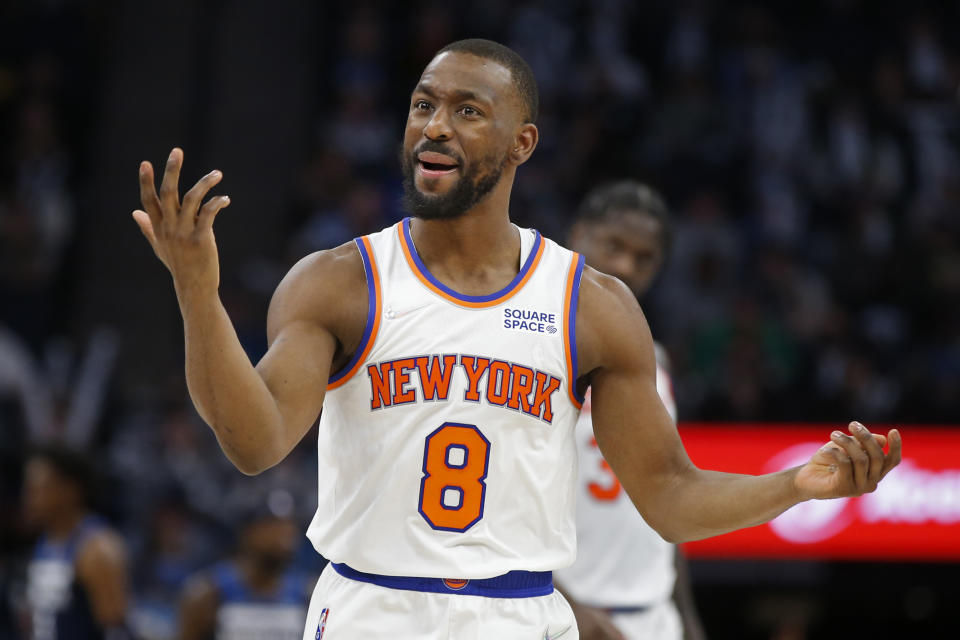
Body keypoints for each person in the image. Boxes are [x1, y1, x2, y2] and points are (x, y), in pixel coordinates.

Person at [131, 38, 901, 639]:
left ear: (522, 143)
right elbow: (254, 441)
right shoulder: (340, 281)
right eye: (423, 105)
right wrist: (198, 293)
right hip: (372, 610)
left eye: (468, 110)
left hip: (520, 615)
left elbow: (669, 498)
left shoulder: (590, 305)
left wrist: (797, 486)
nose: (435, 125)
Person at [555, 182, 705, 640]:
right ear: (578, 236)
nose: (624, 266)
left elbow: (665, 494)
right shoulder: (532, 351)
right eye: (614, 245)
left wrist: (688, 619)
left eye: (644, 258)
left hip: (654, 616)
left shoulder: (655, 361)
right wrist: (562, 604)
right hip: (562, 614)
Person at [21, 445, 132, 640]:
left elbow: (116, 631)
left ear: (70, 490)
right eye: (29, 488)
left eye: (40, 488)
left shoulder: (97, 549)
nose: (30, 498)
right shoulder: (45, 541)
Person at [177, 505, 312, 640]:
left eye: (288, 525)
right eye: (273, 525)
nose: (285, 534)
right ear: (248, 531)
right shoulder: (208, 594)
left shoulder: (307, 594)